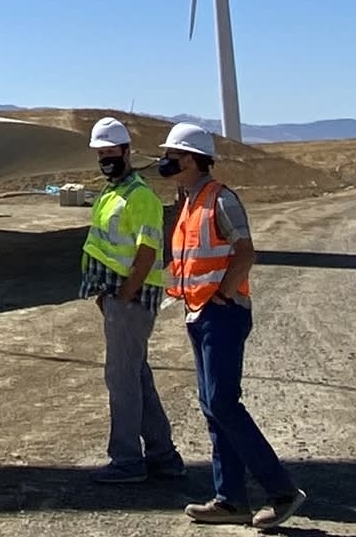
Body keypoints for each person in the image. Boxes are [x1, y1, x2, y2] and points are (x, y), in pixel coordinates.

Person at [157, 122, 308, 530]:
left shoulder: (221, 199)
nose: (165, 161)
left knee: (223, 403)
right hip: (198, 312)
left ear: (190, 159)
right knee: (212, 407)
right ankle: (230, 501)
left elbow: (245, 252)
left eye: (172, 155)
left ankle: (281, 491)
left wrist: (221, 296)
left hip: (221, 313)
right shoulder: (188, 202)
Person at [80, 116, 185, 484]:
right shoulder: (113, 195)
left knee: (121, 380)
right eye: (101, 153)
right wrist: (106, 294)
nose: (106, 159)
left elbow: (147, 250)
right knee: (137, 377)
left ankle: (126, 460)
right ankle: (163, 456)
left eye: (111, 152)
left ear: (127, 152)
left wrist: (124, 294)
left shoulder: (140, 197)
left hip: (133, 299)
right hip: (118, 298)